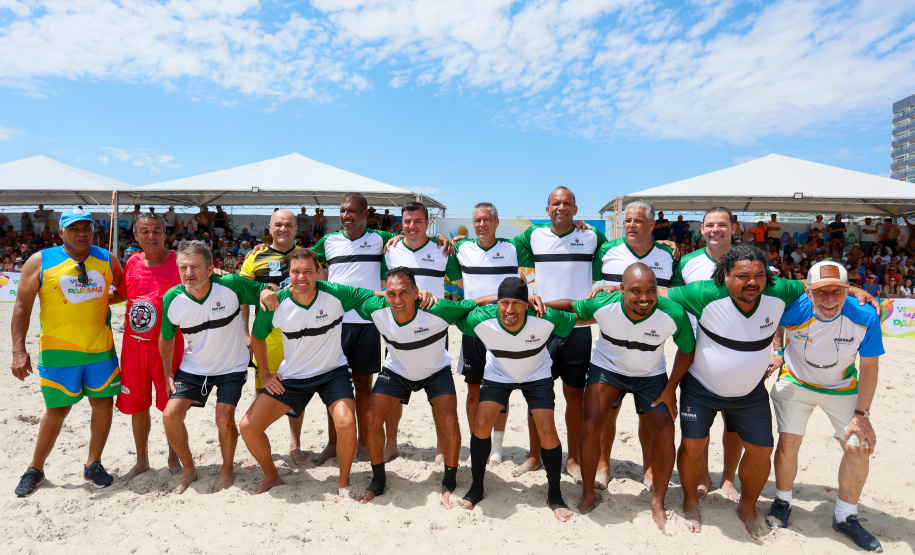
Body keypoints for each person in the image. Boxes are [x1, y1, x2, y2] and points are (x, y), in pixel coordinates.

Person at [666, 244, 875, 538]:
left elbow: (816, 285)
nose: (752, 282)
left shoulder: (779, 289)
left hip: (750, 391)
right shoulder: (702, 292)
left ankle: (748, 507)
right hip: (701, 386)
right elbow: (657, 293)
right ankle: (689, 502)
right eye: (742, 275)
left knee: (763, 449)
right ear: (725, 275)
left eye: (759, 275)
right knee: (692, 445)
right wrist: (618, 287)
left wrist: (854, 291)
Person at [557, 264, 695, 532]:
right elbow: (571, 306)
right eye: (635, 291)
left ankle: (658, 501)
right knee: (591, 425)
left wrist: (670, 388)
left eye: (650, 291)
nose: (644, 298)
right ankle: (588, 492)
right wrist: (532, 301)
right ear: (621, 290)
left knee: (666, 431)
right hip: (608, 370)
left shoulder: (673, 313)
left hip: (651, 375)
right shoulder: (604, 301)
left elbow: (687, 350)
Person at [765, 261, 883, 552]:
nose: (829, 298)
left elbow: (869, 368)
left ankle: (845, 516)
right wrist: (778, 350)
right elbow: (776, 322)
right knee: (789, 441)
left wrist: (862, 416)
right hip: (796, 381)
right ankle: (782, 501)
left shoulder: (866, 316)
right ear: (807, 290)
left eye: (837, 291)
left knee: (859, 447)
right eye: (821, 292)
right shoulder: (793, 308)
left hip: (842, 387)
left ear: (848, 290)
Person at [240, 248, 377, 496]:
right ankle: (272, 476)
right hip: (293, 376)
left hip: (332, 373)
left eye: (307, 272)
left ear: (318, 272)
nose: (301, 277)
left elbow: (379, 295)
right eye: (295, 272)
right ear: (289, 273)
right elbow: (258, 338)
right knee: (249, 426)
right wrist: (268, 375)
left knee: (346, 422)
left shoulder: (336, 293)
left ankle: (343, 483)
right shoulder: (276, 302)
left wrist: (410, 295)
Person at [12, 208, 123, 496]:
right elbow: (22, 307)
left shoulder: (107, 259)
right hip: (58, 351)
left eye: (87, 227)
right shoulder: (40, 261)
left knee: (103, 405)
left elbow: (124, 290)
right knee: (57, 411)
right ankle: (35, 469)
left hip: (100, 349)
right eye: (74, 228)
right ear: (61, 232)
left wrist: (101, 302)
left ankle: (93, 465)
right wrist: (17, 351)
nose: (81, 233)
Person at [158, 241, 277, 494]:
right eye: (183, 268)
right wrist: (168, 373)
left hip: (231, 367)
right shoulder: (172, 299)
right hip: (194, 367)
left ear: (211, 269)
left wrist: (266, 289)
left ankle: (226, 470)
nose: (188, 273)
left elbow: (262, 289)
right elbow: (166, 339)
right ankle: (189, 469)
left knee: (223, 419)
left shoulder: (231, 285)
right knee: (171, 415)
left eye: (195, 267)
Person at [355, 267, 479, 508]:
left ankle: (449, 482)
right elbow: (350, 295)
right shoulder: (375, 308)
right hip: (397, 370)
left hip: (435, 371)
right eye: (391, 294)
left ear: (416, 292)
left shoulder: (437, 308)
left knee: (449, 421)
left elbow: (474, 303)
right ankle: (378, 481)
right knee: (371, 418)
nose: (398, 300)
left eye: (404, 293)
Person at [455, 277, 577, 522]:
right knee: (481, 423)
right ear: (497, 303)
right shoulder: (480, 319)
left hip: (536, 374)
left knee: (547, 429)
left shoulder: (545, 317)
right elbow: (457, 313)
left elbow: (580, 315)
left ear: (527, 304)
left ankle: (555, 494)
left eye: (516, 303)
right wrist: (489, 299)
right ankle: (476, 487)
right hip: (498, 373)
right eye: (504, 303)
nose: (509, 310)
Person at [512, 187, 606, 480]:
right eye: (555, 203)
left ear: (576, 210)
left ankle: (574, 458)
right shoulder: (533, 236)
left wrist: (665, 242)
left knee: (574, 396)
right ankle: (533, 454)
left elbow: (625, 248)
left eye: (566, 204)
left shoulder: (592, 237)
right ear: (547, 209)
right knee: (536, 393)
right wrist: (459, 241)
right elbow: (494, 246)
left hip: (577, 328)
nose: (561, 208)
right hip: (542, 326)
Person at [590, 200, 682, 489]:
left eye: (638, 221)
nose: (631, 225)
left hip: (650, 350)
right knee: (608, 414)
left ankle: (649, 468)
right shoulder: (606, 249)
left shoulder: (667, 254)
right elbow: (593, 289)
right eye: (627, 220)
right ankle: (603, 463)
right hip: (612, 348)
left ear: (652, 225)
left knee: (648, 416)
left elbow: (677, 293)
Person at [310, 193, 399, 464]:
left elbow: (411, 238)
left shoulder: (380, 238)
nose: (345, 216)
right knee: (332, 384)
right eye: (342, 211)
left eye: (351, 211)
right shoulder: (329, 241)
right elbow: (300, 259)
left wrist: (444, 239)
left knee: (363, 384)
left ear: (365, 214)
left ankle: (362, 442)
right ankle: (333, 443)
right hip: (334, 322)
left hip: (367, 324)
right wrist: (263, 249)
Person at [113, 213, 184, 479]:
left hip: (168, 346)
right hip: (133, 346)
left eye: (156, 230)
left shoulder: (179, 262)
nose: (151, 236)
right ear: (136, 235)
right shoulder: (131, 262)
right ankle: (142, 461)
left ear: (166, 234)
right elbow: (121, 294)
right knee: (137, 405)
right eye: (145, 231)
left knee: (171, 405)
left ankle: (173, 458)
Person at [449, 202, 519, 466]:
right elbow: (433, 244)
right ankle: (477, 441)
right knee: (473, 390)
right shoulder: (462, 249)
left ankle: (497, 448)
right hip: (474, 329)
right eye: (477, 220)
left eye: (487, 219)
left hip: (505, 329)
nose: (481, 225)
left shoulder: (512, 248)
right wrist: (445, 239)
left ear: (497, 222)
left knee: (500, 391)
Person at [238, 210, 304, 465]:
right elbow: (244, 297)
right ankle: (258, 442)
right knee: (261, 386)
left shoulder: (304, 257)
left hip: (298, 335)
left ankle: (295, 444)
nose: (283, 229)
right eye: (278, 224)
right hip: (266, 336)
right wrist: (245, 332)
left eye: (288, 225)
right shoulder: (256, 257)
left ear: (296, 228)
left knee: (296, 389)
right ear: (270, 227)